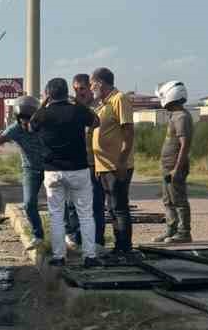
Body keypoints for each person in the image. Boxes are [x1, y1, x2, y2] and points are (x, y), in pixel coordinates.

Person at [29, 77, 99, 267]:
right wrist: (76, 100)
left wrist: (44, 102)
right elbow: (96, 121)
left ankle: (59, 257)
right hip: (78, 169)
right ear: (67, 92)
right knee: (85, 214)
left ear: (48, 94)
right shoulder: (76, 111)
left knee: (56, 216)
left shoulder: (43, 114)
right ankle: (89, 256)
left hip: (53, 172)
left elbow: (31, 125)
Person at [0, 96, 47, 242]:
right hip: (30, 169)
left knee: (61, 204)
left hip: (51, 168)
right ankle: (38, 236)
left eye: (30, 120)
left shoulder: (46, 124)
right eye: (23, 120)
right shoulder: (15, 129)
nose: (27, 124)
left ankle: (72, 235)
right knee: (29, 203)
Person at [90, 67, 136, 261]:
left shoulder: (119, 99)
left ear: (100, 83)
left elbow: (128, 132)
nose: (92, 89)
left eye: (92, 84)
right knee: (112, 208)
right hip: (104, 165)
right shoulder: (103, 104)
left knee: (119, 207)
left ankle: (125, 247)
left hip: (116, 165)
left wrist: (122, 162)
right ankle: (119, 246)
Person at [63, 72, 106, 250]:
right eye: (75, 89)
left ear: (90, 88)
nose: (78, 93)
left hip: (94, 164)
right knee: (72, 205)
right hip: (74, 165)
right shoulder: (71, 109)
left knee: (95, 205)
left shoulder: (98, 107)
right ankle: (76, 238)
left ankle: (97, 241)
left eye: (81, 89)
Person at [156, 80, 194, 244]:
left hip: (175, 167)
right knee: (168, 200)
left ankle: (184, 232)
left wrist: (177, 169)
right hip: (167, 166)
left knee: (178, 200)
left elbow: (185, 145)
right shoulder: (175, 115)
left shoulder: (182, 117)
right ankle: (171, 230)